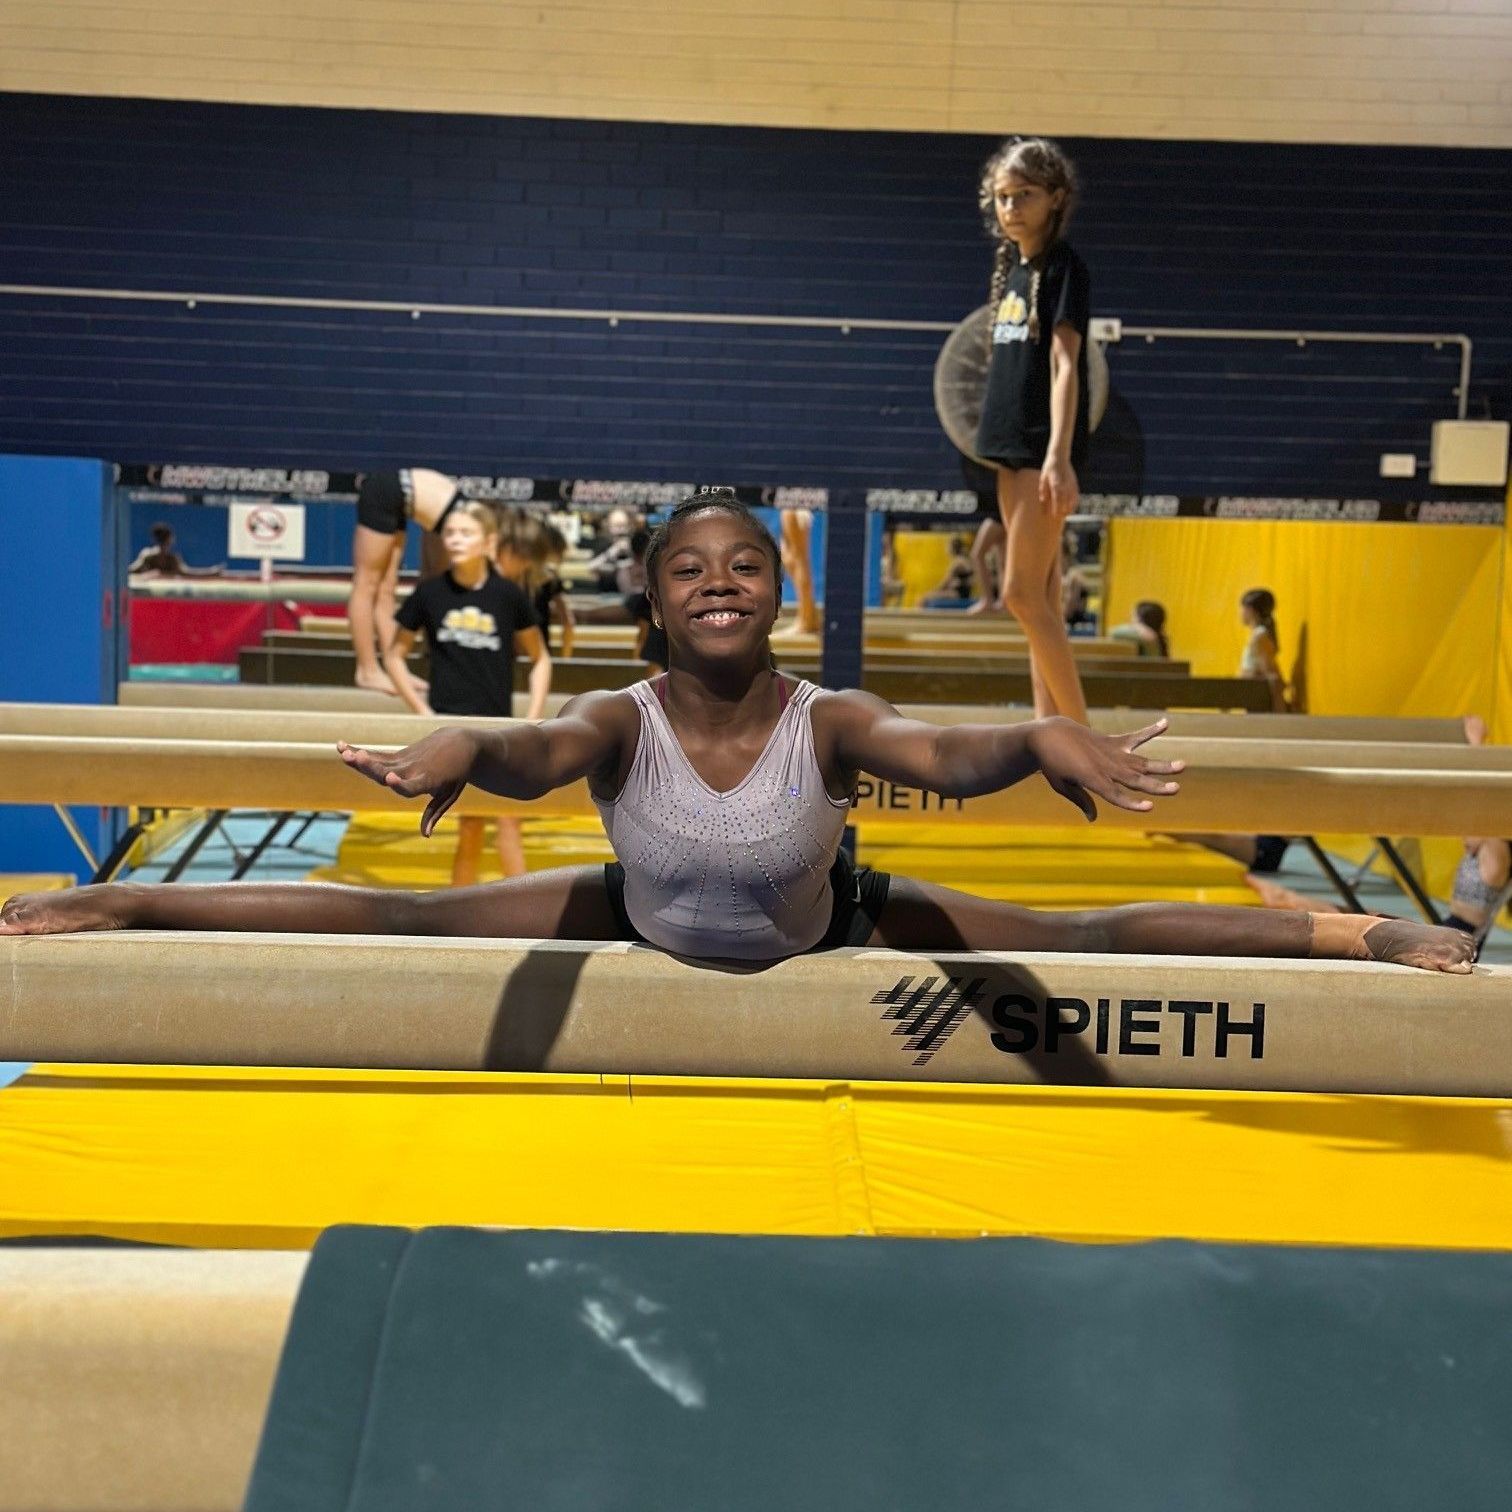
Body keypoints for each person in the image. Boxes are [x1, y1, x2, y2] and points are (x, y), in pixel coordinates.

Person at [2, 491, 1472, 975]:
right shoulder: (617, 715)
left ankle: (1363, 939)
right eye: (691, 566)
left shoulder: (828, 715)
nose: (720, 579)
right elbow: (534, 755)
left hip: (830, 921)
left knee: (1071, 937)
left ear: (778, 595)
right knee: (399, 922)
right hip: (636, 914)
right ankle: (123, 894)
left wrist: (1038, 734)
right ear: (652, 598)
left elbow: (942, 760)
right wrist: (461, 749)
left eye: (747, 565)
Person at [974, 137, 1092, 722]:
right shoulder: (1013, 271)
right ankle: (1050, 726)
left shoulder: (1064, 267)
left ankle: (1082, 738)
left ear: (1055, 198)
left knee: (1019, 592)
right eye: (1002, 197)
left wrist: (1059, 456)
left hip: (1039, 448)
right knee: (1038, 594)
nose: (1012, 207)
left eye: (1024, 195)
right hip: (1008, 447)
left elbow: (1067, 365)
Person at [381, 500, 550, 885]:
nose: (455, 540)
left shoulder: (508, 596)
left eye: (465, 533)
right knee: (469, 828)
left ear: (488, 541)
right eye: (451, 533)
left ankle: (525, 916)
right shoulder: (429, 594)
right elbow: (393, 656)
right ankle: (459, 927)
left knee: (509, 824)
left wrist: (533, 719)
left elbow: (540, 659)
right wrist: (421, 712)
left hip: (498, 728)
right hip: (450, 730)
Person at [350, 468, 462, 696]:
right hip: (387, 489)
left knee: (386, 589)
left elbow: (431, 579)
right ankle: (366, 670)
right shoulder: (464, 527)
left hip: (404, 494)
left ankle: (394, 669)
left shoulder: (459, 524)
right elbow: (434, 581)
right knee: (366, 583)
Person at [772, 508, 821, 636]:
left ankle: (806, 620)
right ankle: (811, 615)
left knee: (799, 559)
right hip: (793, 501)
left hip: (797, 502)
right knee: (790, 557)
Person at [1240, 587, 1287, 713]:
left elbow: (1270, 674)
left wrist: (1279, 711)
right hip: (1252, 697)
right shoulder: (1259, 635)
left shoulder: (1259, 637)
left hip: (1259, 701)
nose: (1240, 613)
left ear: (1251, 610)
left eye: (1242, 608)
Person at [536, 524, 576, 658]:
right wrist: (565, 661)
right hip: (540, 653)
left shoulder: (515, 576)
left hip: (511, 653)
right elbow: (568, 621)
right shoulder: (551, 579)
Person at [127, 522, 221, 578]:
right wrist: (212, 572)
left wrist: (212, 572)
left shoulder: (171, 559)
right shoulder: (148, 556)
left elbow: (188, 573)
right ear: (170, 540)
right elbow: (131, 571)